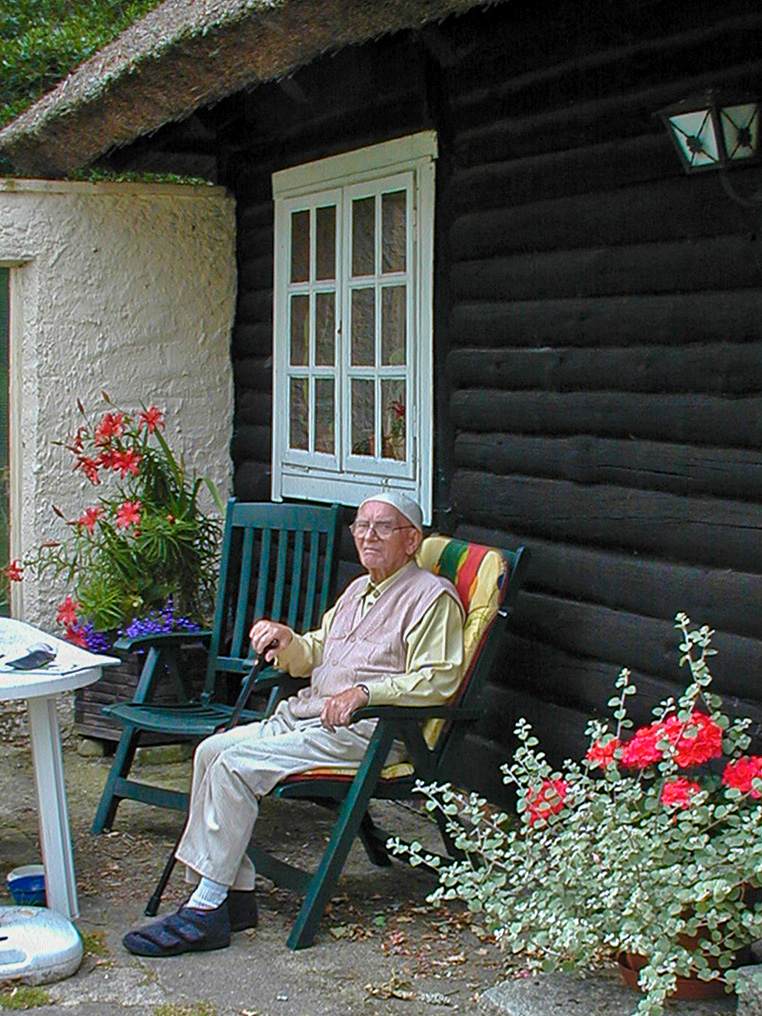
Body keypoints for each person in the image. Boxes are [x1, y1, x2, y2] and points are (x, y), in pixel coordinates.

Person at [123, 491, 464, 956]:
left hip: (367, 732)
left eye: (383, 527)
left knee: (234, 766)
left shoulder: (431, 598)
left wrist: (366, 693)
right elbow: (318, 651)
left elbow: (438, 680)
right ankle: (234, 897)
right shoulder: (357, 591)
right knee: (210, 751)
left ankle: (204, 909)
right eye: (361, 526)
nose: (367, 536)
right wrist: (287, 642)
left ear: (411, 541)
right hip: (307, 717)